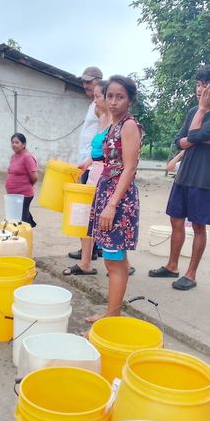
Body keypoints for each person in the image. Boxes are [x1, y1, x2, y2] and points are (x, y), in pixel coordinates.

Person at [148, 65, 210, 290]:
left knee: (198, 226)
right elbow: (179, 141)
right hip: (184, 175)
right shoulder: (192, 111)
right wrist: (198, 138)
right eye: (198, 84)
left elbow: (191, 136)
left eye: (205, 85)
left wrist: (198, 125)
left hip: (203, 179)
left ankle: (191, 274)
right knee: (175, 221)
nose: (199, 89)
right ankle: (172, 266)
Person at [85, 75, 143, 323]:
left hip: (118, 199)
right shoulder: (113, 125)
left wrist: (111, 205)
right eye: (110, 96)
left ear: (130, 100)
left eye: (120, 97)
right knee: (116, 260)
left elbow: (129, 169)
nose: (113, 101)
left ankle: (111, 318)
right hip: (109, 193)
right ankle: (112, 313)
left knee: (113, 262)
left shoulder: (128, 126)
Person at [64, 80, 110, 275]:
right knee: (87, 219)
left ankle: (122, 265)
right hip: (94, 173)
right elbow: (97, 151)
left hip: (107, 177)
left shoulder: (119, 123)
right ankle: (85, 263)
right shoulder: (102, 118)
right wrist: (86, 163)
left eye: (98, 96)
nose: (95, 100)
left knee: (107, 221)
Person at [68, 66, 103, 261]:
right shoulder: (93, 104)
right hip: (86, 163)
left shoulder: (101, 106)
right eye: (84, 81)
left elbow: (104, 135)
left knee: (88, 209)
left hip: (93, 165)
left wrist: (91, 160)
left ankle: (89, 252)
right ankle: (92, 249)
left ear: (99, 80)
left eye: (89, 81)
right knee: (89, 208)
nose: (85, 85)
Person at [5, 133, 38, 227]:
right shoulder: (14, 156)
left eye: (17, 142)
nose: (14, 144)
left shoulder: (27, 157)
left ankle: (26, 231)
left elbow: (34, 177)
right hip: (13, 196)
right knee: (17, 217)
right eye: (12, 142)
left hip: (23, 195)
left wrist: (26, 186)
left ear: (23, 144)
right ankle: (29, 225)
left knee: (20, 221)